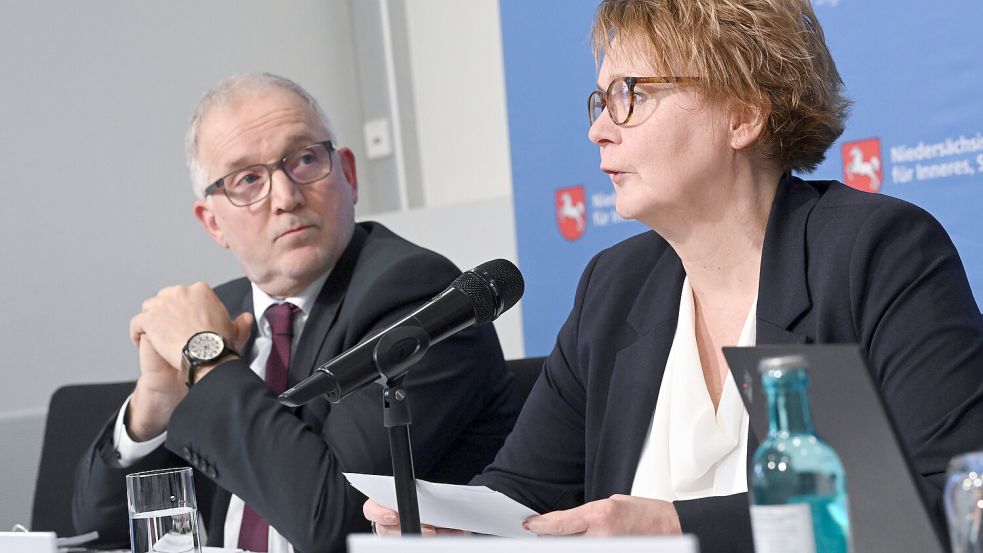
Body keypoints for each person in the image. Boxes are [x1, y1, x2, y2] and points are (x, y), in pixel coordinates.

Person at [365, 0, 983, 551]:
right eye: (601, 101)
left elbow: (952, 499)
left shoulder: (871, 254)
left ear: (743, 115)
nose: (598, 130)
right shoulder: (616, 286)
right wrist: (457, 524)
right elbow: (524, 493)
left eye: (629, 95)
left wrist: (674, 528)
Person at [72, 73, 519, 553]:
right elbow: (99, 532)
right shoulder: (221, 315)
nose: (286, 198)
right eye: (248, 180)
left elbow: (329, 521)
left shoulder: (415, 293)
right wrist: (152, 408)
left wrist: (209, 361)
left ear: (348, 174)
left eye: (305, 159)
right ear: (213, 222)